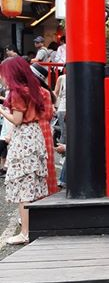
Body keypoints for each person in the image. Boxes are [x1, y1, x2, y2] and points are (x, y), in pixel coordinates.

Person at [0, 56, 49, 245]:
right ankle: (30, 228)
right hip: (34, 134)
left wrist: (2, 111)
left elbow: (17, 120)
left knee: (23, 186)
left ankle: (25, 232)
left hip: (24, 137)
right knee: (32, 182)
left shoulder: (17, 92)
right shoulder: (32, 88)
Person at [30, 63, 58, 195]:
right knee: (47, 161)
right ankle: (49, 191)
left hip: (35, 126)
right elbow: (49, 115)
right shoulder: (46, 92)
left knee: (35, 161)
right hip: (45, 127)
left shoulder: (34, 92)